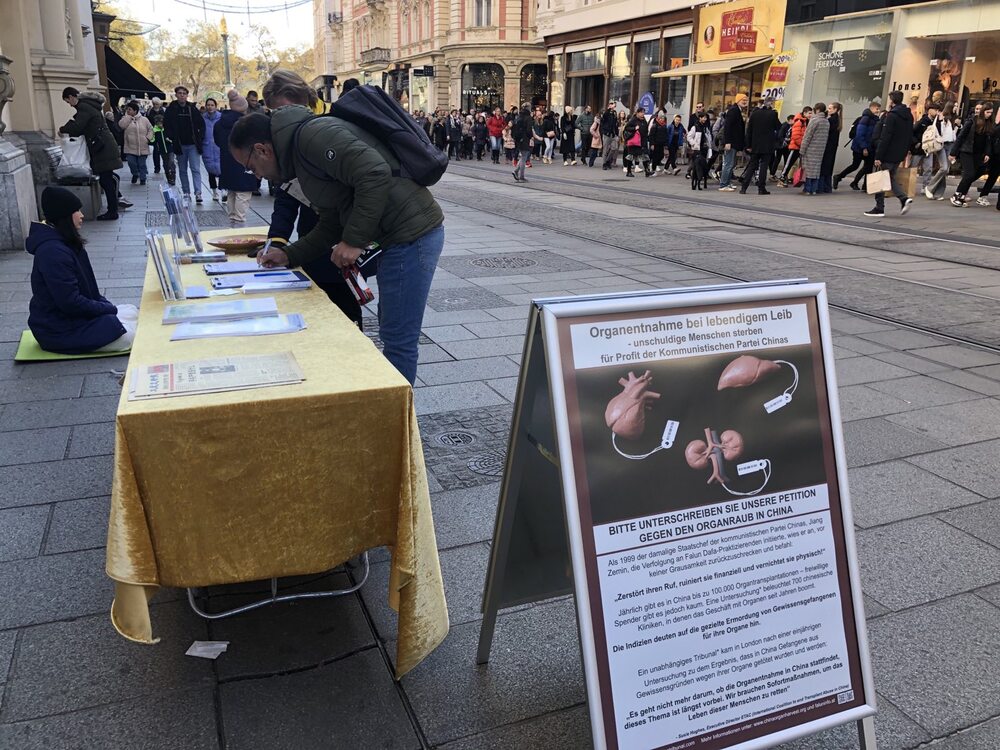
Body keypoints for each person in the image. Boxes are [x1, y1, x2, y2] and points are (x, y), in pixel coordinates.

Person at [230, 103, 445, 384]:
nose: (257, 176)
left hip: (412, 234)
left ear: (262, 150)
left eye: (251, 168)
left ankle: (395, 411)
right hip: (395, 236)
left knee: (398, 338)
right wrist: (289, 255)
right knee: (392, 328)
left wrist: (353, 241)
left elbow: (374, 173)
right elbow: (331, 221)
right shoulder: (299, 155)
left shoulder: (313, 137)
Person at [258, 70, 363, 327]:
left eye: (279, 109)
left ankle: (352, 334)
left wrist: (354, 237)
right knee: (317, 294)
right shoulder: (284, 132)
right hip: (313, 229)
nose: (277, 117)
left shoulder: (333, 118)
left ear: (295, 96)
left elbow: (366, 176)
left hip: (344, 228)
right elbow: (286, 193)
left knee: (345, 296)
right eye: (272, 112)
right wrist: (277, 240)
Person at [27, 187, 137, 354]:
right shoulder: (53, 252)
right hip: (59, 329)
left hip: (73, 320)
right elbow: (71, 303)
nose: (82, 215)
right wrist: (107, 310)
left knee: (132, 311)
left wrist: (106, 307)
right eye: (76, 211)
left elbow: (87, 294)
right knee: (131, 335)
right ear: (65, 216)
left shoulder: (64, 243)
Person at [58, 88, 123, 221]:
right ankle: (114, 206)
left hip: (102, 148)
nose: (69, 105)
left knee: (106, 180)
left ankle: (113, 211)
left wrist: (62, 129)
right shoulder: (89, 106)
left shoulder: (84, 108)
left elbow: (77, 127)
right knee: (107, 178)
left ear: (72, 97)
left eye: (68, 101)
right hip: (104, 145)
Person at [865, 90, 915, 218]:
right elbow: (910, 135)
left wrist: (878, 156)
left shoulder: (892, 116)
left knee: (882, 178)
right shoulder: (908, 115)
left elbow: (886, 136)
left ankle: (881, 207)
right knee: (889, 177)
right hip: (899, 153)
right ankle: (902, 199)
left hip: (888, 152)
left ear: (892, 101)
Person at [215, 90, 257, 224]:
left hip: (226, 160)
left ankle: (232, 218)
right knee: (243, 192)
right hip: (244, 160)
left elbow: (217, 141)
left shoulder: (219, 123)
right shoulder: (246, 124)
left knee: (232, 191)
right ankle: (239, 219)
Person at [163, 85, 206, 203]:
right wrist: (171, 137)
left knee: (195, 169)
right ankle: (186, 192)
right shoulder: (171, 109)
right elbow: (166, 124)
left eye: (184, 93)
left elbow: (201, 124)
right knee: (182, 170)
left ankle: (198, 193)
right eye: (180, 93)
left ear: (187, 95)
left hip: (193, 144)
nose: (182, 95)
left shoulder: (192, 108)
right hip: (180, 144)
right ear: (176, 95)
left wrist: (200, 137)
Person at [950, 102, 995, 207]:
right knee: (969, 174)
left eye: (991, 112)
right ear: (983, 111)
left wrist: (987, 153)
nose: (989, 114)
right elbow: (961, 137)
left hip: (978, 153)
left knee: (980, 170)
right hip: (967, 151)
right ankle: (957, 195)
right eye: (987, 112)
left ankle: (962, 195)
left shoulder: (988, 124)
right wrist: (953, 152)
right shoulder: (972, 121)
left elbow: (988, 140)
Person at [835, 101, 880, 190]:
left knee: (868, 167)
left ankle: (864, 185)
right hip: (860, 148)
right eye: (877, 109)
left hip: (869, 147)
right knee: (855, 165)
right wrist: (864, 147)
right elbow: (860, 134)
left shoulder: (874, 119)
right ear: (872, 108)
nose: (878, 111)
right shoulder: (865, 119)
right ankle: (839, 176)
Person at [740, 97, 779, 194]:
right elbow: (778, 127)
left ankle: (744, 187)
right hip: (767, 145)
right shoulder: (773, 114)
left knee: (752, 166)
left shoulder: (755, 113)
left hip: (755, 145)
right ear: (771, 104)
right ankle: (761, 188)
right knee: (764, 166)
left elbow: (749, 130)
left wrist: (748, 145)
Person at [916, 103, 948, 200]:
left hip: (942, 145)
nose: (938, 112)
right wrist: (916, 142)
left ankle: (935, 192)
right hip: (934, 145)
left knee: (939, 168)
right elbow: (938, 132)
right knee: (943, 168)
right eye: (936, 110)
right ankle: (929, 187)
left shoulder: (943, 119)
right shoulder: (930, 120)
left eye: (939, 110)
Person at [118, 100, 152, 186]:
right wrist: (128, 117)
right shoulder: (125, 119)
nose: (128, 111)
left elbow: (150, 130)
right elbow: (121, 126)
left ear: (135, 110)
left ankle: (143, 178)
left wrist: (147, 139)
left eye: (130, 109)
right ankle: (135, 174)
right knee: (131, 163)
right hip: (130, 147)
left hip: (142, 146)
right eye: (127, 109)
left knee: (142, 164)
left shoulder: (144, 120)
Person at [719, 94, 748, 191]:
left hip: (734, 142)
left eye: (746, 100)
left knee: (731, 164)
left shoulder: (737, 110)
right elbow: (728, 127)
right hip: (730, 143)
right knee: (728, 164)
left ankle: (727, 183)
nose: (745, 101)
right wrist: (727, 142)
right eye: (743, 100)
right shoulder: (733, 110)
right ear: (738, 100)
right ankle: (723, 185)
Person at [779, 106, 812, 186]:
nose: (810, 115)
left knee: (794, 164)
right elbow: (796, 136)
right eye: (809, 113)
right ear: (804, 113)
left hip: (800, 146)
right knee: (789, 163)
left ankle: (789, 178)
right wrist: (802, 145)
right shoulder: (799, 122)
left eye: (811, 113)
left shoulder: (805, 121)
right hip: (795, 147)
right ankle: (782, 178)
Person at [974, 108, 1000, 209]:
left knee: (991, 175)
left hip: (995, 154)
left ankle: (982, 195)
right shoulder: (996, 128)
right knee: (989, 174)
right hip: (995, 155)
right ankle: (964, 188)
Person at [201, 97, 222, 201]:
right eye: (208, 105)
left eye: (212, 105)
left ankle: (223, 190)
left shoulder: (221, 118)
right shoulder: (202, 118)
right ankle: (214, 192)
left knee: (222, 170)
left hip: (219, 147)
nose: (210, 107)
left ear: (216, 106)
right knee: (210, 171)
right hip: (207, 147)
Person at [819, 102, 842, 193]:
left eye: (830, 108)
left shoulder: (831, 120)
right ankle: (827, 187)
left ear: (835, 109)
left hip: (828, 145)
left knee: (824, 166)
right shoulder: (838, 119)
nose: (828, 110)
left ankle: (821, 187)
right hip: (833, 146)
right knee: (829, 166)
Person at [687, 111, 713, 190]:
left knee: (703, 165)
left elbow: (708, 136)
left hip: (704, 149)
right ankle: (695, 178)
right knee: (697, 165)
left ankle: (700, 179)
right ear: (700, 118)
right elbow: (689, 137)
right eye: (703, 118)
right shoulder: (695, 127)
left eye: (706, 118)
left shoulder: (705, 127)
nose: (705, 119)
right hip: (697, 149)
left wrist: (709, 144)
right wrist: (694, 143)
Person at [622, 107, 651, 177]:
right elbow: (627, 128)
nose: (642, 114)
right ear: (637, 113)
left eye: (643, 112)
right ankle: (629, 171)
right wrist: (634, 128)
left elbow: (646, 129)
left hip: (643, 141)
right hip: (634, 142)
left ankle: (647, 171)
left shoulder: (644, 120)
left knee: (645, 156)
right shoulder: (633, 120)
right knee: (631, 156)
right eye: (641, 112)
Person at [512, 106, 533, 183]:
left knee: (523, 156)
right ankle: (521, 176)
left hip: (518, 139)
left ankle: (516, 171)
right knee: (524, 157)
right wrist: (531, 137)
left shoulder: (519, 117)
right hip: (525, 139)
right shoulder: (528, 118)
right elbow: (529, 130)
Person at [147, 97, 167, 173]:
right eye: (154, 104)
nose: (155, 105)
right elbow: (148, 122)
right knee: (156, 150)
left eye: (157, 104)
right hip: (155, 132)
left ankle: (165, 166)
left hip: (163, 132)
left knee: (165, 150)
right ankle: (157, 167)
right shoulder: (150, 111)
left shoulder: (163, 110)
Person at [771, 114, 794, 179]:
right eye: (794, 120)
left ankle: (783, 174)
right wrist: (785, 140)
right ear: (790, 120)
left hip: (787, 146)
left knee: (786, 160)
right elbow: (780, 135)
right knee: (777, 159)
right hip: (781, 146)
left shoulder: (792, 126)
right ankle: (772, 173)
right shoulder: (784, 126)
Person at [599, 101, 619, 170]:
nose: (613, 106)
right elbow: (604, 117)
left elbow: (615, 125)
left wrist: (616, 134)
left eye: (613, 105)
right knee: (605, 149)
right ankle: (604, 164)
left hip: (613, 134)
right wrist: (609, 109)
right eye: (611, 104)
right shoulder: (606, 113)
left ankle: (607, 161)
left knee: (614, 148)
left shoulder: (614, 113)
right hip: (607, 133)